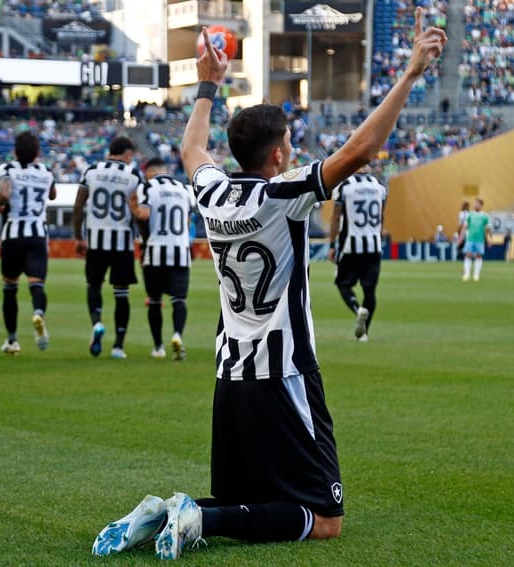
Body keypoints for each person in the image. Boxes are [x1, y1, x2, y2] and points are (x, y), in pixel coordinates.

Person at [92, 14, 446, 560]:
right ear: (278, 155)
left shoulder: (213, 194)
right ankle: (195, 517)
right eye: (288, 143)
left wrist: (208, 85)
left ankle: (167, 513)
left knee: (249, 500)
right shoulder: (283, 195)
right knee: (325, 520)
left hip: (229, 375)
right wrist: (410, 73)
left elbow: (192, 151)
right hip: (284, 374)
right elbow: (361, 151)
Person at [72, 136, 144, 359]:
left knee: (94, 285)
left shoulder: (91, 170)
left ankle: (96, 322)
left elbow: (78, 206)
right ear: (128, 154)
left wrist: (78, 237)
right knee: (121, 293)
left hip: (96, 239)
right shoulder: (133, 175)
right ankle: (118, 346)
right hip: (122, 241)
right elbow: (138, 210)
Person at [0, 131, 56, 354]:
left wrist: (2, 200)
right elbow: (52, 196)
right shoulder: (46, 172)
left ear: (15, 151)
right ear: (37, 153)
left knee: (10, 287)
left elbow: (4, 194)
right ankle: (38, 313)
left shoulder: (7, 169)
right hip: (37, 233)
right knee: (37, 283)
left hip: (13, 233)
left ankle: (12, 340)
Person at [129, 157, 193, 360]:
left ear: (149, 172)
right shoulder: (184, 189)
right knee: (179, 300)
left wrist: (133, 207)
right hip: (180, 251)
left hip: (155, 251)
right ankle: (177, 335)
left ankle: (158, 347)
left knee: (155, 301)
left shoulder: (148, 187)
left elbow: (144, 214)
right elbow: (187, 219)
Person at [328, 168, 388, 342]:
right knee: (370, 291)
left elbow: (336, 217)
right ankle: (364, 333)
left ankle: (357, 309)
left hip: (350, 245)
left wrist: (332, 245)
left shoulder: (345, 186)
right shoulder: (380, 186)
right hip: (373, 245)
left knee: (342, 283)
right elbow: (382, 215)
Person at [459, 198, 491, 282]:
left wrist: (488, 239)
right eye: (474, 203)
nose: (475, 205)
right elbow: (465, 227)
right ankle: (467, 274)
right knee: (468, 255)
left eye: (477, 204)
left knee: (478, 256)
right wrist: (461, 237)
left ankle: (476, 275)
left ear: (481, 205)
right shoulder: (470, 215)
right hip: (470, 239)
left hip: (480, 240)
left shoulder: (485, 216)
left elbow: (488, 229)